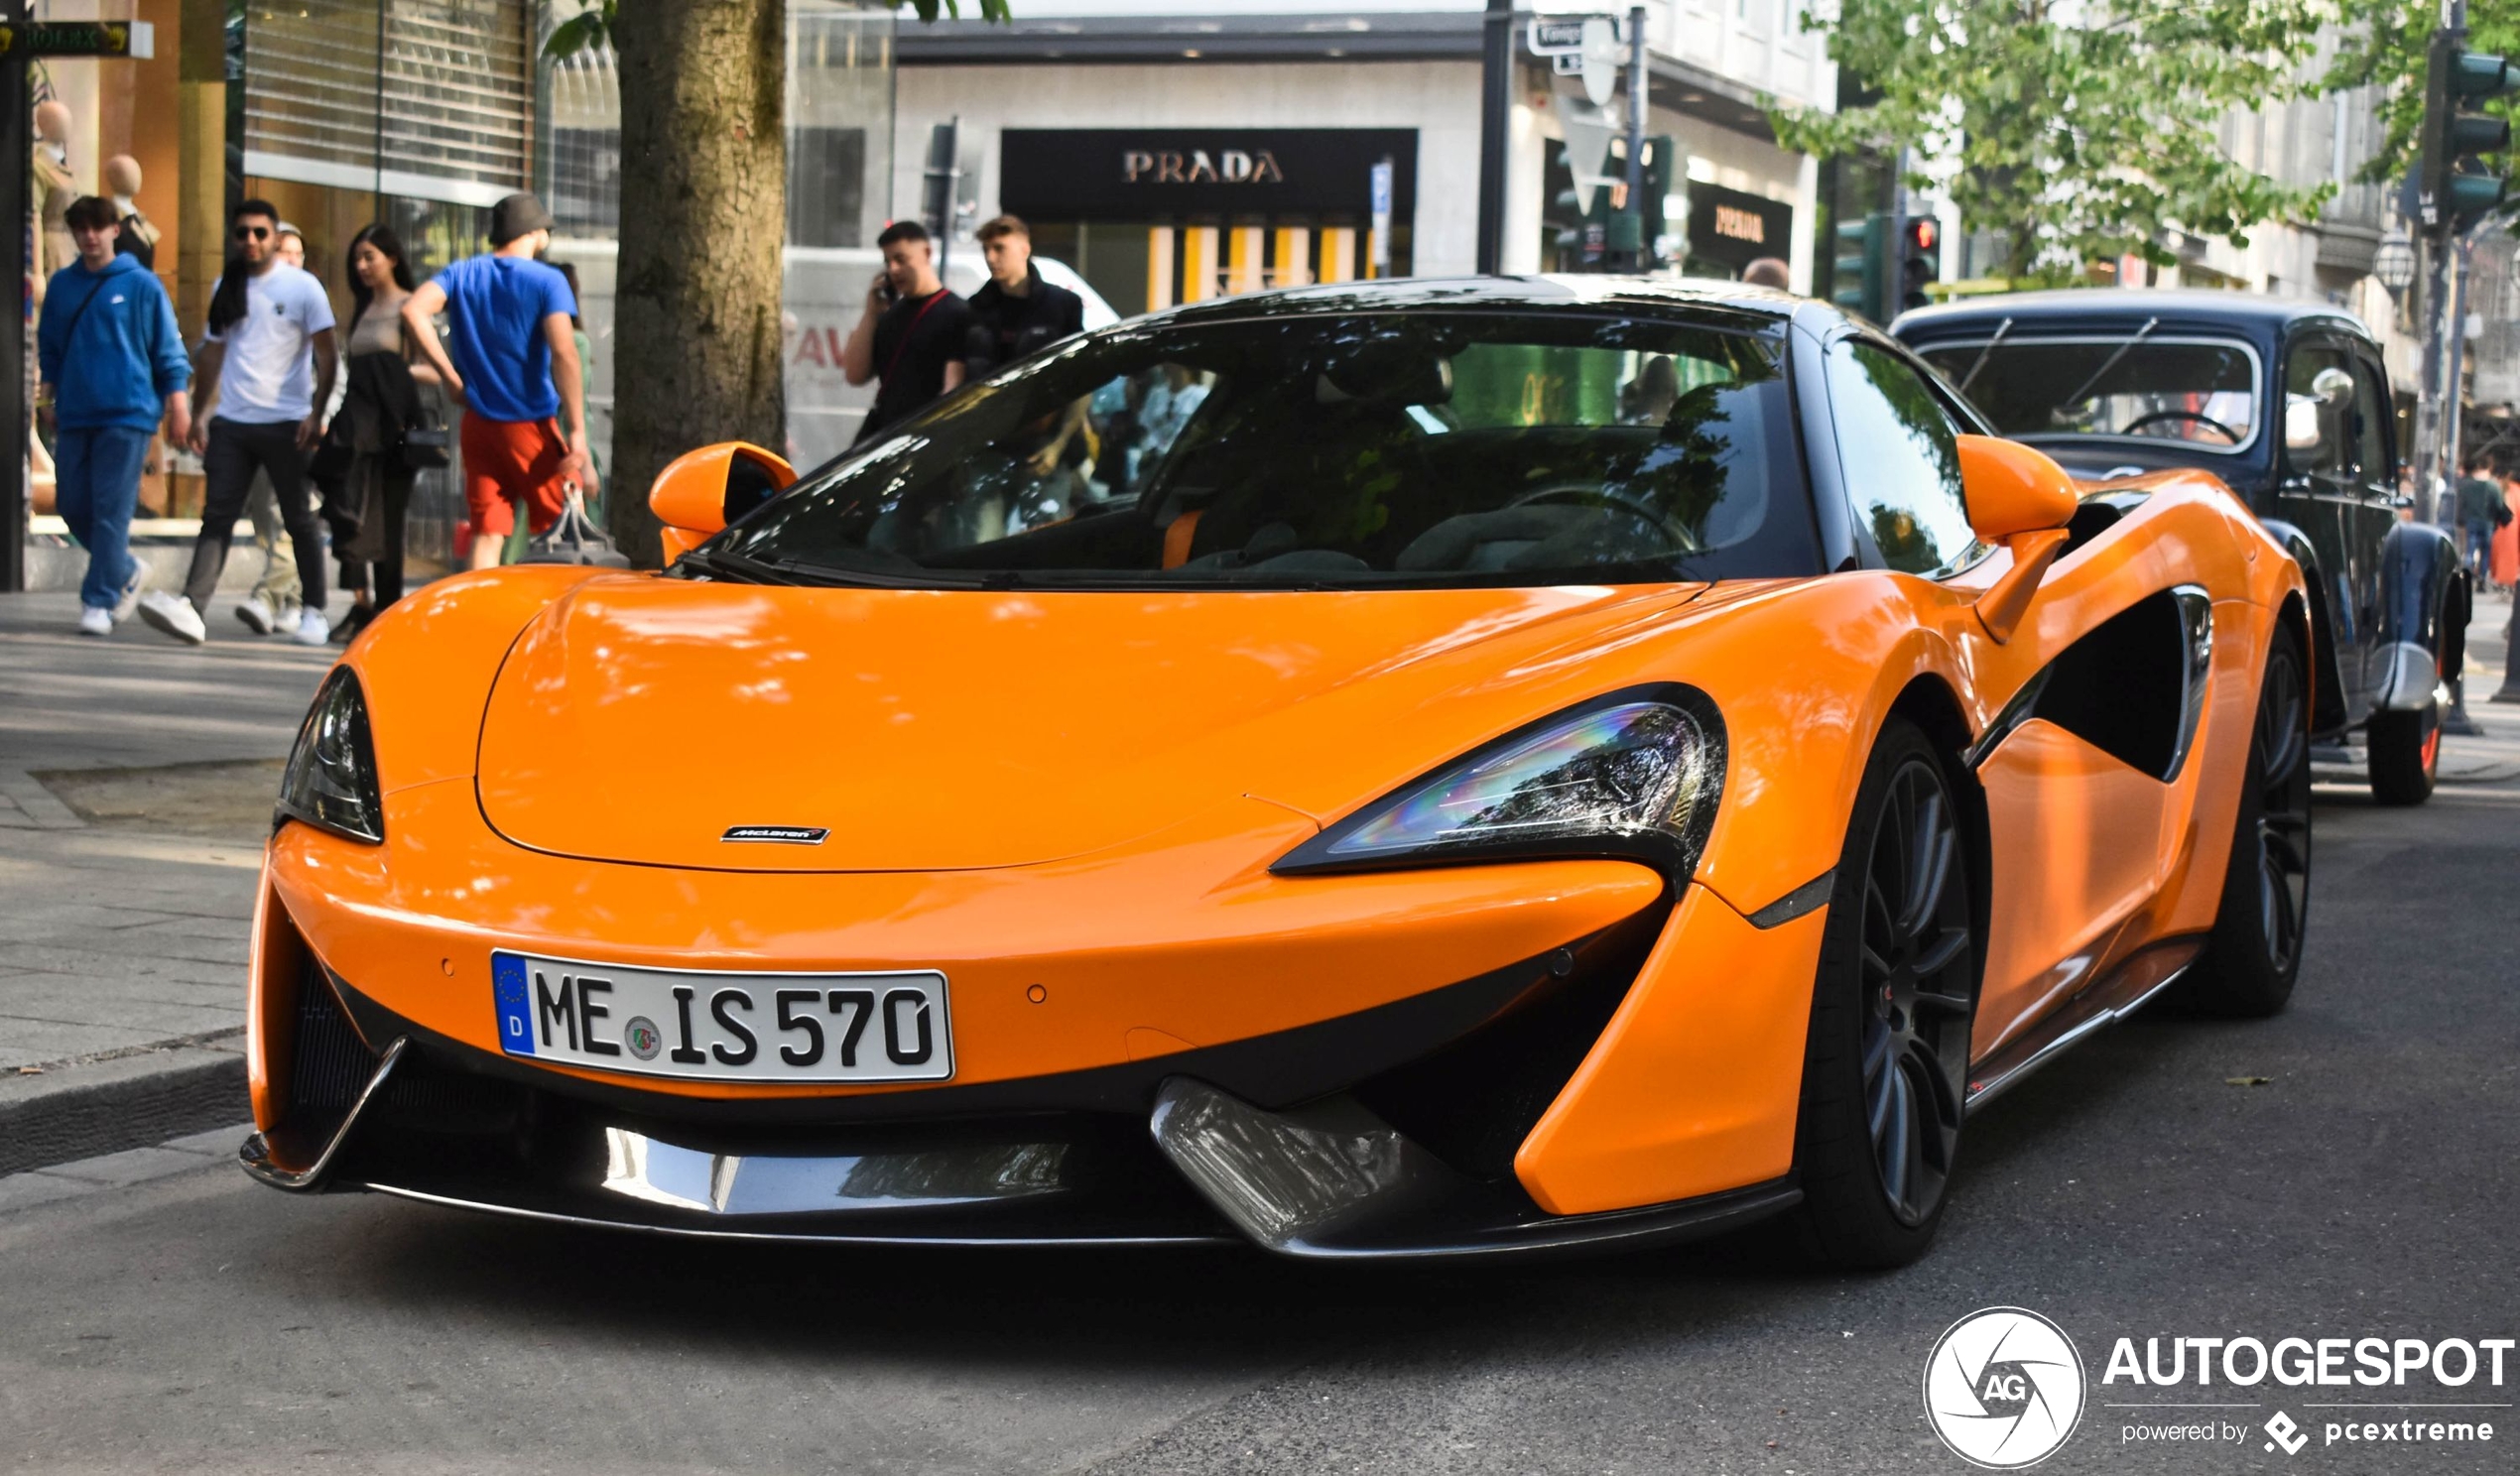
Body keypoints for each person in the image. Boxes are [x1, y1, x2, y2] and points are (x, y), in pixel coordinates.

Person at [143, 199, 338, 647]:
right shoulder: (225, 285)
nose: (250, 240)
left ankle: (313, 611)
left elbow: (328, 356)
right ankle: (192, 607)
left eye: (260, 233)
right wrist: (197, 413)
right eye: (242, 233)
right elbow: (214, 352)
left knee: (298, 517)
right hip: (232, 421)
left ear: (274, 236)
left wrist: (316, 413)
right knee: (218, 516)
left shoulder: (303, 287)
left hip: (287, 421)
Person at [401, 191, 597, 571]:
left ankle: (481, 626)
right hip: (530, 426)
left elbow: (413, 310)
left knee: (487, 534)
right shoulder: (548, 280)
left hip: (478, 424)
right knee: (564, 530)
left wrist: (451, 378)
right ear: (535, 232)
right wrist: (577, 433)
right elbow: (565, 353)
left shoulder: (462, 273)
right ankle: (551, 622)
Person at [39, 196, 190, 637]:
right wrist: (48, 400)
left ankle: (99, 601)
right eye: (81, 228)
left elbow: (168, 349)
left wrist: (177, 404)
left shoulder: (141, 284)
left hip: (128, 413)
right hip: (75, 412)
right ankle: (123, 567)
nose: (89, 236)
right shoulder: (63, 285)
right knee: (71, 504)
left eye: (97, 227)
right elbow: (50, 349)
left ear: (114, 230)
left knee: (110, 509)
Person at [320, 224, 439, 643]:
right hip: (356, 430)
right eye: (358, 258)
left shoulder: (411, 307)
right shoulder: (363, 307)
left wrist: (394, 373)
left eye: (370, 256)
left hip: (393, 431)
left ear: (392, 257)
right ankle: (361, 603)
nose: (362, 265)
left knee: (388, 523)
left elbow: (434, 367)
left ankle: (387, 613)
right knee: (349, 515)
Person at [232, 220, 314, 636]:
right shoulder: (249, 300)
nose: (293, 260)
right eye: (285, 252)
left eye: (299, 254)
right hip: (254, 426)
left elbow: (333, 372)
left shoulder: (311, 302)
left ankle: (266, 596)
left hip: (298, 431)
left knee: (285, 519)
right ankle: (295, 600)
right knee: (268, 519)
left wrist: (322, 419)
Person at [842, 220, 969, 445]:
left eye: (901, 259)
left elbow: (953, 388)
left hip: (924, 438)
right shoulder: (889, 315)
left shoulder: (956, 313)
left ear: (926, 253)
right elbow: (855, 374)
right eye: (888, 261)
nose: (893, 270)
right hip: (886, 435)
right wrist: (871, 313)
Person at [962, 215, 1084, 379]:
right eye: (986, 250)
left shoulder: (1063, 304)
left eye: (999, 248)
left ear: (1025, 250)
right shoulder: (976, 307)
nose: (990, 258)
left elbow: (1076, 368)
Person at [2455, 458, 2509, 580]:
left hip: (2472, 520)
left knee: (2470, 548)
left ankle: (2467, 574)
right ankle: (2482, 578)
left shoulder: (2468, 485)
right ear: (2490, 468)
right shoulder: (2493, 486)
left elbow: (2462, 503)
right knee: (2485, 551)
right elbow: (2499, 505)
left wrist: (2461, 518)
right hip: (2488, 522)